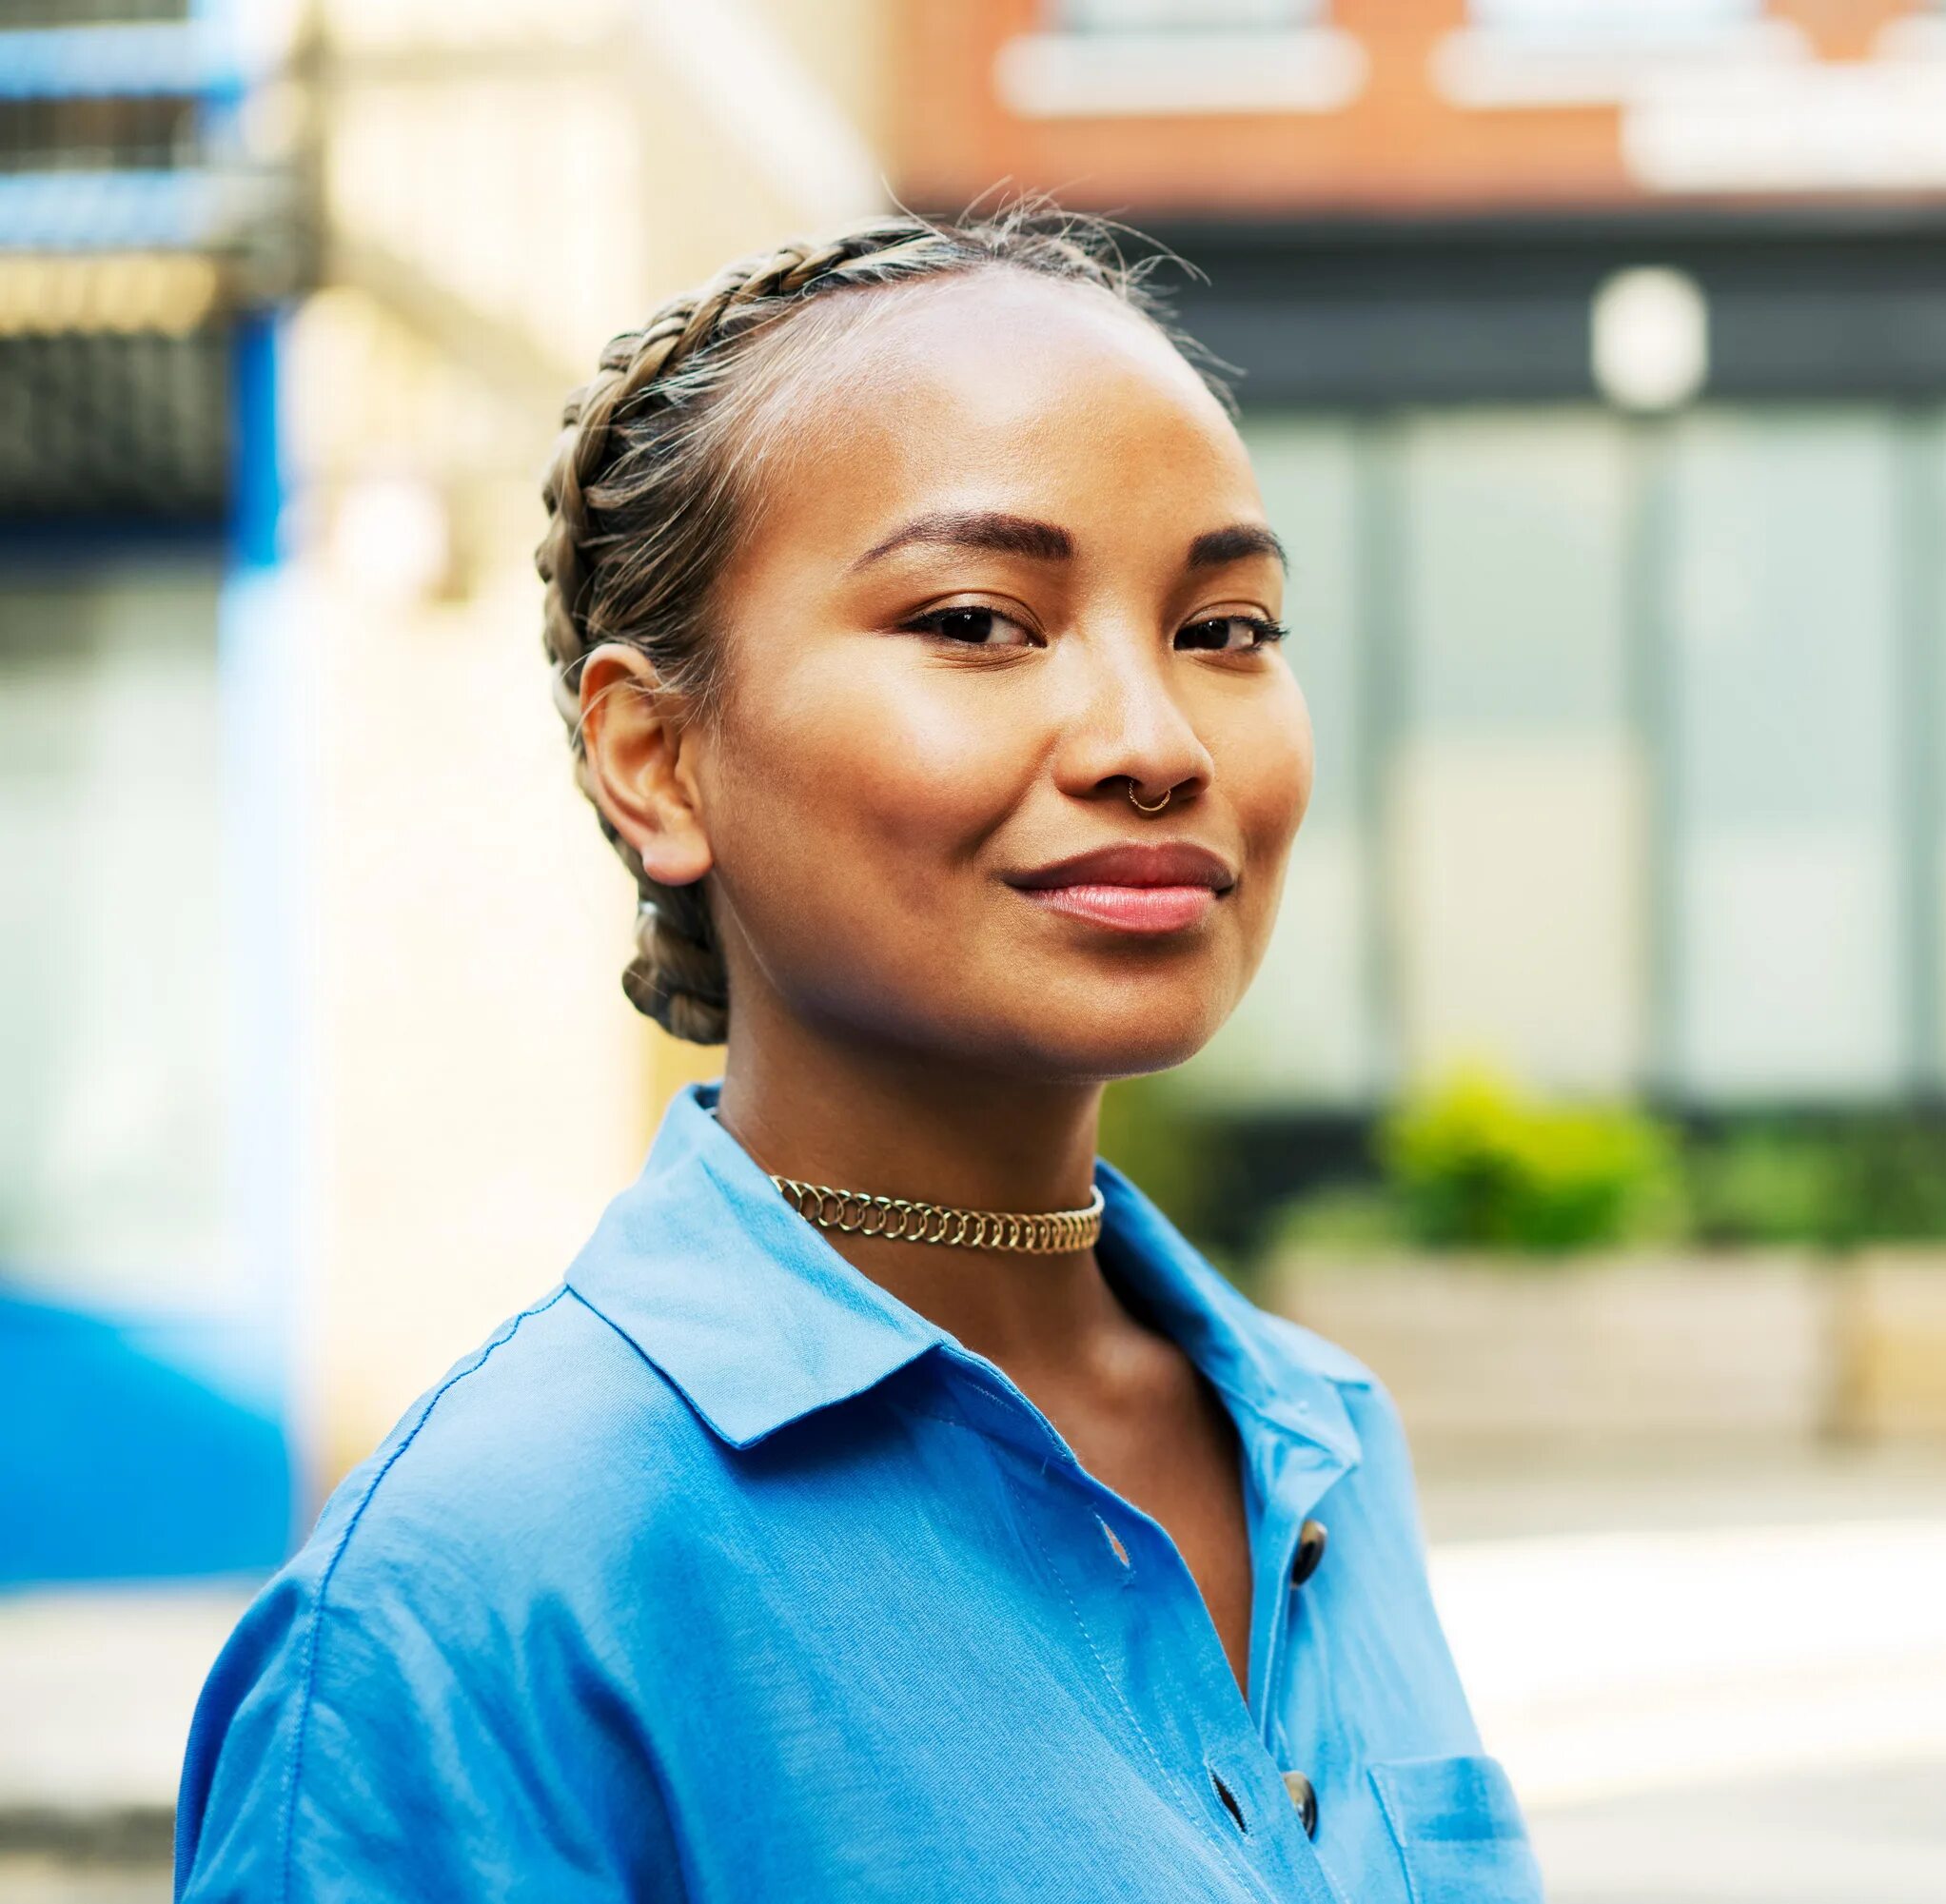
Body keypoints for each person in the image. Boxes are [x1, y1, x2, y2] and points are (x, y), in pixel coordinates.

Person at [175, 207, 1541, 1903]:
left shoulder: (1322, 1444)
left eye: (1228, 628)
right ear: (657, 759)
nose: (1155, 740)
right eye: (978, 621)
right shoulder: (473, 1598)